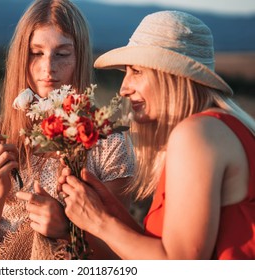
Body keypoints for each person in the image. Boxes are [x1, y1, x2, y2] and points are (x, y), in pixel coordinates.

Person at [58, 10, 255, 259]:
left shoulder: (196, 134)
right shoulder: (223, 128)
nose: (124, 88)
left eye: (136, 71)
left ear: (172, 75)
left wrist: (98, 222)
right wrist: (107, 208)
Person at [0, 0, 135, 260]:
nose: (48, 67)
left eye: (62, 54)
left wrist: (67, 230)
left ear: (81, 58)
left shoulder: (108, 144)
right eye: (36, 52)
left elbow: (120, 257)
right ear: (20, 56)